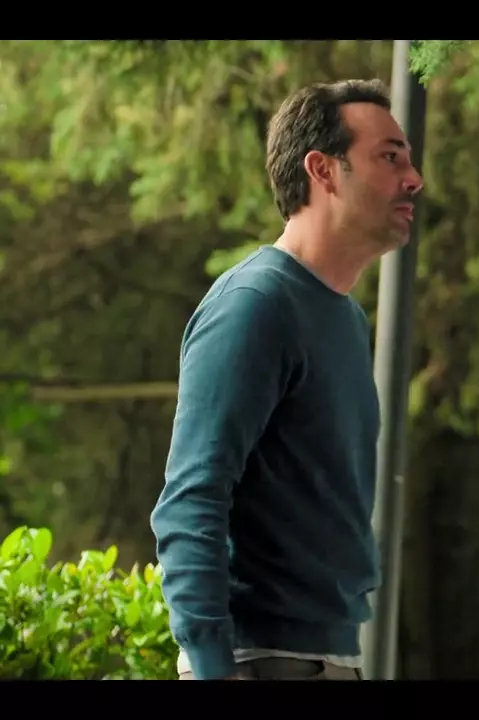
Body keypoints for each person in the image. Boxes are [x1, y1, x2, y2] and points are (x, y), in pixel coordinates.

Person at [149, 79, 423, 680]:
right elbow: (191, 501)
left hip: (331, 659)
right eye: (389, 157)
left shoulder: (345, 318)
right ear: (323, 170)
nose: (414, 179)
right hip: (259, 661)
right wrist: (213, 669)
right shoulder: (256, 305)